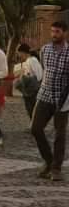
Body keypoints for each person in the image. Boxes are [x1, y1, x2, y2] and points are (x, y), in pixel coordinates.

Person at [32, 21, 69, 181]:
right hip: (45, 95)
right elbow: (44, 69)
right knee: (35, 128)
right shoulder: (45, 50)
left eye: (58, 32)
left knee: (60, 133)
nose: (54, 34)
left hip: (62, 99)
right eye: (52, 31)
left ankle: (56, 168)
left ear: (65, 33)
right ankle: (49, 160)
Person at [14, 44, 43, 120]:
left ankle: (35, 125)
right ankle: (32, 124)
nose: (19, 55)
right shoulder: (28, 61)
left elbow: (39, 75)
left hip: (33, 89)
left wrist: (28, 77)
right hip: (28, 89)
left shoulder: (32, 60)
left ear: (23, 52)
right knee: (30, 108)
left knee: (33, 108)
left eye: (19, 53)